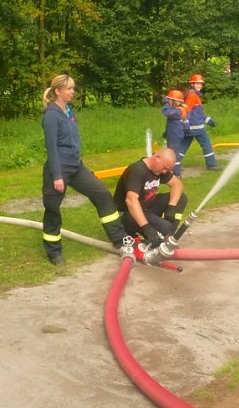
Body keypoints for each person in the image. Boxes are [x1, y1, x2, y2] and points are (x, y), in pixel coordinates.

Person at [41, 74, 129, 266]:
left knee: (103, 194)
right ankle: (54, 252)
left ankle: (120, 240)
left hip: (76, 167)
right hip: (59, 169)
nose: (73, 92)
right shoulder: (50, 116)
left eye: (73, 88)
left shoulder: (69, 111)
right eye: (69, 89)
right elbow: (52, 148)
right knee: (52, 209)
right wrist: (57, 176)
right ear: (58, 91)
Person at [113, 148, 187, 248]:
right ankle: (159, 235)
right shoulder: (137, 170)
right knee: (165, 227)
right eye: (164, 168)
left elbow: (177, 185)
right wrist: (146, 227)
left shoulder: (159, 169)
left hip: (147, 208)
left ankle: (168, 237)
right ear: (157, 157)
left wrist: (171, 207)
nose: (165, 172)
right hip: (129, 214)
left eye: (167, 170)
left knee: (181, 198)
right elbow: (130, 200)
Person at [178, 74, 221, 172]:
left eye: (201, 84)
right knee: (207, 145)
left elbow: (197, 114)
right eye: (197, 84)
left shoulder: (193, 95)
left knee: (182, 147)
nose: (199, 86)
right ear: (192, 84)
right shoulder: (192, 96)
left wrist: (208, 120)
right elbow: (187, 110)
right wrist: (185, 122)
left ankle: (173, 165)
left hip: (191, 128)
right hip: (196, 128)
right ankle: (212, 165)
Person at [161, 89, 189, 177]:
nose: (178, 103)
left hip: (175, 135)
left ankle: (176, 172)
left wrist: (168, 103)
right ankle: (173, 169)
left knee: (174, 153)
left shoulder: (177, 111)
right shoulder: (179, 109)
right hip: (175, 134)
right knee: (174, 152)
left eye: (179, 102)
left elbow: (166, 112)